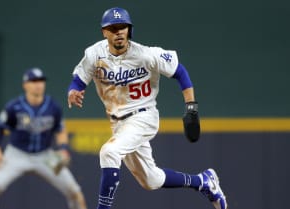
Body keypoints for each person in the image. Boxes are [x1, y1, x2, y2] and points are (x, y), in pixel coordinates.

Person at [67, 7, 227, 209]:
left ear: (129, 29)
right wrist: (73, 91)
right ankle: (203, 182)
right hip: (118, 123)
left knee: (109, 152)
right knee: (150, 180)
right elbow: (78, 81)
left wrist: (191, 107)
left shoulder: (146, 55)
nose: (119, 31)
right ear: (104, 32)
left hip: (143, 117)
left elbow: (180, 72)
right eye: (113, 27)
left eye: (123, 27)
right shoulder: (94, 54)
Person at [0, 68, 87, 209]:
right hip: (17, 155)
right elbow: (0, 128)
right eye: (34, 81)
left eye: (41, 81)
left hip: (45, 156)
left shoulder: (53, 107)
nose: (38, 84)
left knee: (74, 190)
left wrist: (63, 148)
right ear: (25, 85)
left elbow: (60, 130)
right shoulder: (14, 107)